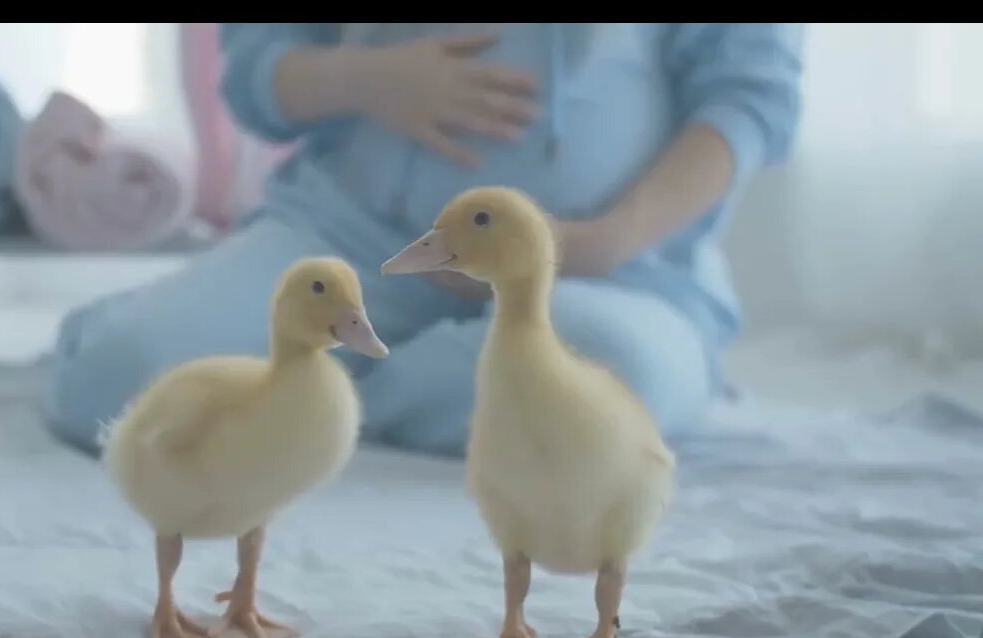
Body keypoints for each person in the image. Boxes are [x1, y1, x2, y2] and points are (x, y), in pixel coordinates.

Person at [45, 23, 805, 457]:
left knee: (609, 386)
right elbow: (255, 78)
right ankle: (353, 380)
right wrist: (361, 77)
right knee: (122, 383)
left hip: (617, 274)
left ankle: (312, 401)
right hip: (352, 236)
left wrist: (599, 242)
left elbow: (752, 103)